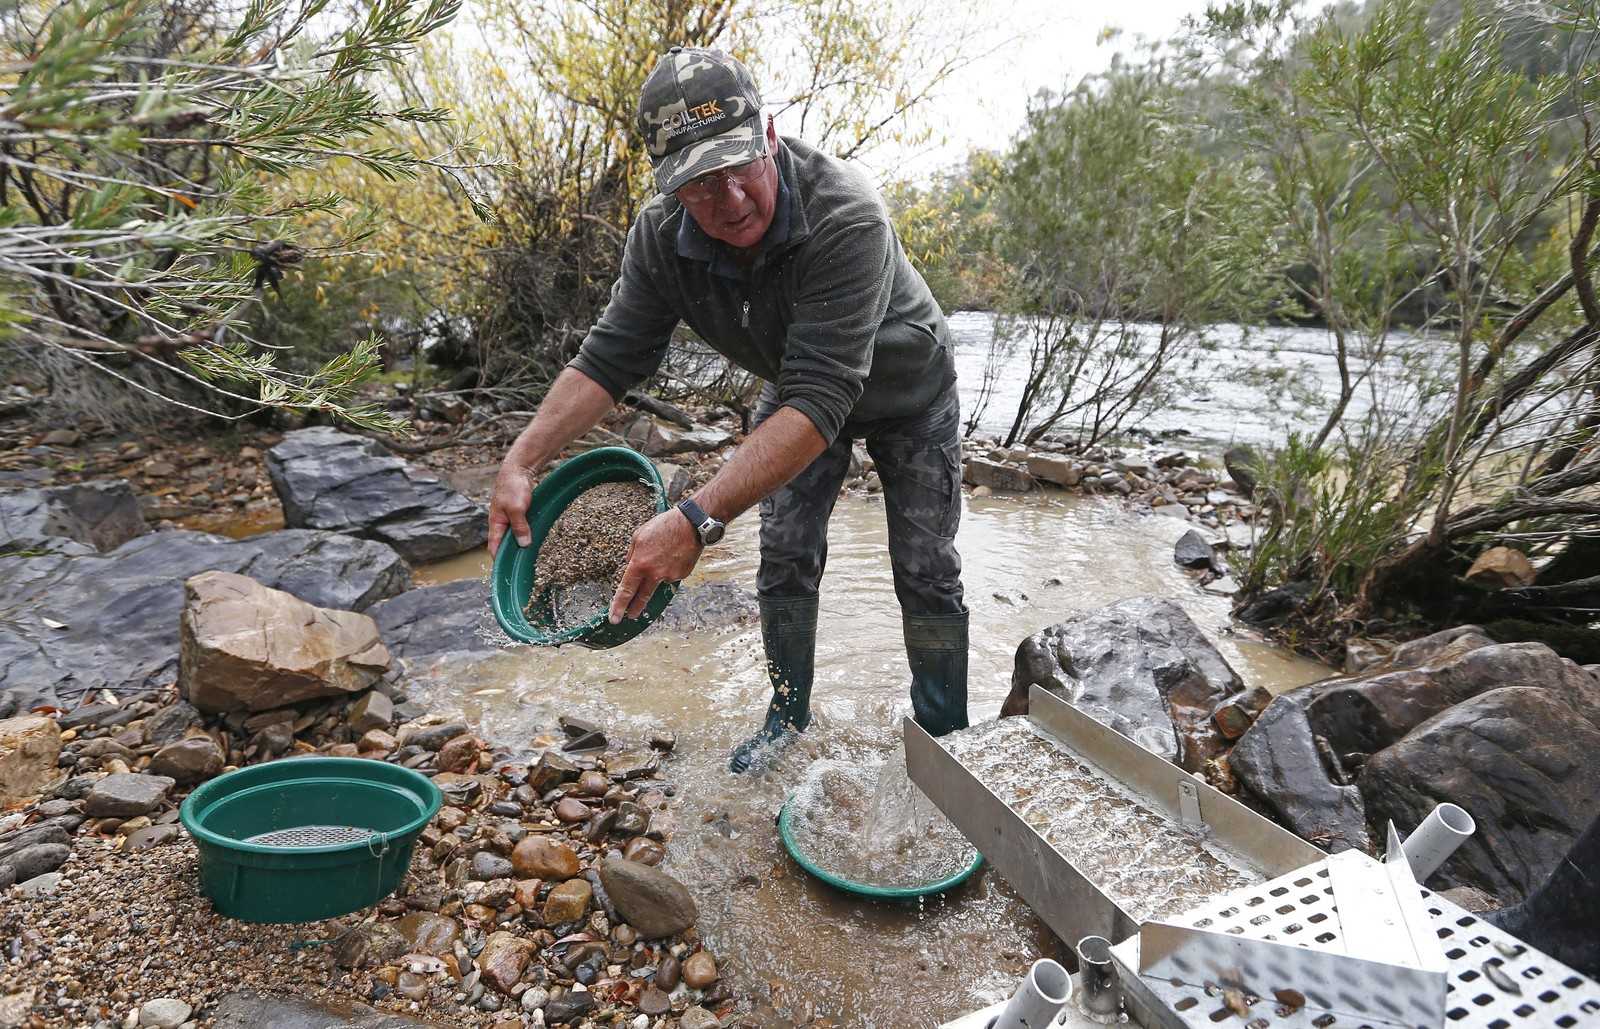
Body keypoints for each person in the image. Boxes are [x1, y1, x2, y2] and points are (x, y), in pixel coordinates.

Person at [486, 46, 968, 773]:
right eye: (700, 186)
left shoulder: (847, 214)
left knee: (925, 568)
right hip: (798, 385)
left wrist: (696, 519)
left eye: (739, 166)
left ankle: (946, 736)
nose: (731, 199)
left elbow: (822, 400)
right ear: (669, 187)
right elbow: (609, 358)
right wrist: (521, 458)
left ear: (769, 135)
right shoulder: (658, 241)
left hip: (906, 393)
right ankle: (786, 714)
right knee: (783, 555)